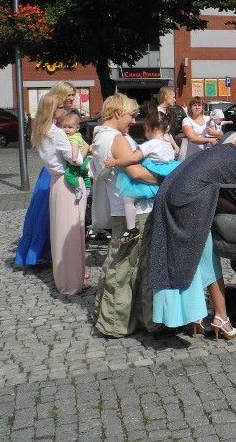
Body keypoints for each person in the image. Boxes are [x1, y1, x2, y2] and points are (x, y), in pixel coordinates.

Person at [147, 133, 236, 339]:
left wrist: (234, 207)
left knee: (187, 260)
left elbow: (212, 188)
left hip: (170, 197)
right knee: (208, 262)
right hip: (190, 206)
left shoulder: (222, 152)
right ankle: (221, 318)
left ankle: (197, 316)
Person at [90, 94, 161, 338]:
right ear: (118, 113)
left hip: (121, 207)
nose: (134, 121)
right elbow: (137, 173)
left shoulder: (100, 137)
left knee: (121, 264)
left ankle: (117, 319)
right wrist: (166, 177)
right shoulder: (117, 139)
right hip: (136, 210)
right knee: (128, 267)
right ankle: (118, 322)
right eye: (131, 115)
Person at [29, 94, 87, 295]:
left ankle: (66, 278)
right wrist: (83, 150)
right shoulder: (58, 133)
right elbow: (76, 160)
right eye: (61, 107)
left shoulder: (42, 131)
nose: (64, 110)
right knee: (71, 232)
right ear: (54, 110)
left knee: (60, 232)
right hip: (67, 182)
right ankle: (72, 282)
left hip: (55, 182)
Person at [15, 81, 78, 266]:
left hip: (54, 169)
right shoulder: (55, 125)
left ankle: (41, 252)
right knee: (46, 213)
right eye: (69, 95)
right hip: (58, 170)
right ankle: (44, 252)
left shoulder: (55, 121)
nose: (72, 98)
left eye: (73, 95)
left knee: (47, 213)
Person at [103, 105, 179, 245]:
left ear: (148, 129)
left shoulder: (149, 145)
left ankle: (131, 229)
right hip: (166, 178)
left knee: (128, 198)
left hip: (151, 177)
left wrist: (115, 161)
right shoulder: (168, 145)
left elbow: (132, 159)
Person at [60, 111, 91, 205]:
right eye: (64, 127)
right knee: (85, 175)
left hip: (77, 162)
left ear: (77, 128)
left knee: (69, 174)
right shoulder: (79, 135)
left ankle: (77, 189)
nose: (66, 130)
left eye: (70, 127)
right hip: (85, 162)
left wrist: (74, 158)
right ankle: (89, 189)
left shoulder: (72, 138)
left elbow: (75, 147)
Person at [157, 86, 183, 153]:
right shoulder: (156, 113)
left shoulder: (169, 112)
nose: (175, 100)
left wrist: (175, 146)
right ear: (166, 97)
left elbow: (167, 132)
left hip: (167, 148)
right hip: (160, 150)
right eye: (173, 97)